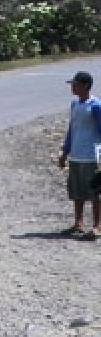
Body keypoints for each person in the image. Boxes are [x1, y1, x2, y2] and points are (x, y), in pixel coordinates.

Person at [58, 70, 101, 240]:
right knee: (76, 191)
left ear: (85, 86)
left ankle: (97, 225)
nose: (72, 87)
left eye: (75, 84)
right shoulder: (75, 105)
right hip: (76, 154)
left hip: (91, 155)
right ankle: (78, 222)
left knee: (94, 191)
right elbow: (71, 129)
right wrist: (65, 153)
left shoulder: (95, 106)